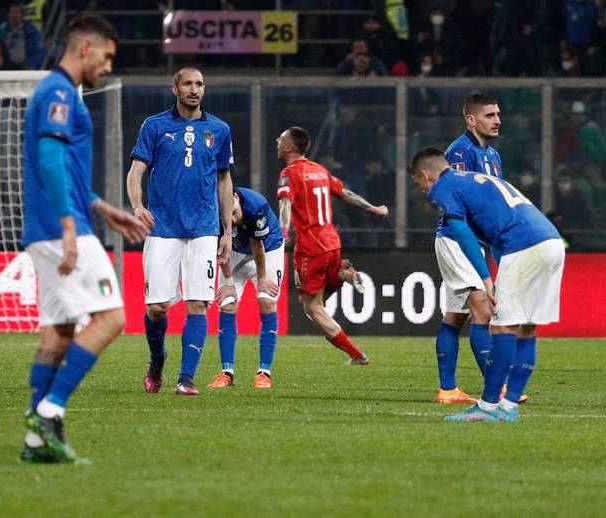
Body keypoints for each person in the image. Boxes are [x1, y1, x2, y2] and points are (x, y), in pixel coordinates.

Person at [20, 15, 149, 464]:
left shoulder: (57, 92)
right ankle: (48, 412)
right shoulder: (59, 92)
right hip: (60, 227)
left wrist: (102, 208)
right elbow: (49, 159)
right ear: (85, 48)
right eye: (107, 56)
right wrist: (70, 224)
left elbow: (67, 173)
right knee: (111, 319)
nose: (108, 66)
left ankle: (36, 443)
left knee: (58, 331)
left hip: (49, 226)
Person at [410, 149, 564, 423]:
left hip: (524, 245)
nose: (422, 189)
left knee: (502, 327)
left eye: (419, 182)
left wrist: (486, 278)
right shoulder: (475, 178)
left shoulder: (442, 187)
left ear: (425, 175)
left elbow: (463, 234)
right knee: (526, 327)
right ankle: (509, 405)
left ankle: (488, 407)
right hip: (552, 241)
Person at [127, 68, 233, 397]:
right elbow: (136, 171)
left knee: (198, 303)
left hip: (204, 229)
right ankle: (157, 360)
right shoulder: (155, 125)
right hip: (163, 228)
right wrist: (137, 206)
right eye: (187, 83)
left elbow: (224, 180)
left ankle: (186, 379)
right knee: (157, 307)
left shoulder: (219, 129)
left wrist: (227, 230)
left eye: (199, 84)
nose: (194, 89)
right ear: (175, 88)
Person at [433, 92, 519, 405]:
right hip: (456, 240)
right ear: (471, 120)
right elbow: (454, 202)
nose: (497, 121)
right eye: (489, 115)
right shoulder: (459, 152)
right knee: (484, 311)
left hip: (476, 243)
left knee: (455, 318)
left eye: (498, 114)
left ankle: (448, 390)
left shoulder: (493, 156)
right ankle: (497, 391)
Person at [276, 127, 389, 365]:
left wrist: (284, 231)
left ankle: (357, 355)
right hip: (332, 242)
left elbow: (285, 203)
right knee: (316, 302)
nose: (277, 141)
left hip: (310, 247)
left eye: (281, 139)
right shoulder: (319, 170)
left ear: (288, 147)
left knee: (312, 308)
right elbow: (345, 193)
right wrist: (373, 208)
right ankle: (342, 273)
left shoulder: (289, 174)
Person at [212, 187, 284, 389]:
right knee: (227, 304)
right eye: (228, 216)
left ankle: (264, 373)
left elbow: (257, 246)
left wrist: (262, 278)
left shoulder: (255, 205)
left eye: (234, 213)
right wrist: (228, 283)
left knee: (266, 301)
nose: (233, 220)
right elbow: (220, 248)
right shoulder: (213, 209)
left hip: (268, 248)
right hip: (234, 251)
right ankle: (226, 373)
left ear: (235, 197)